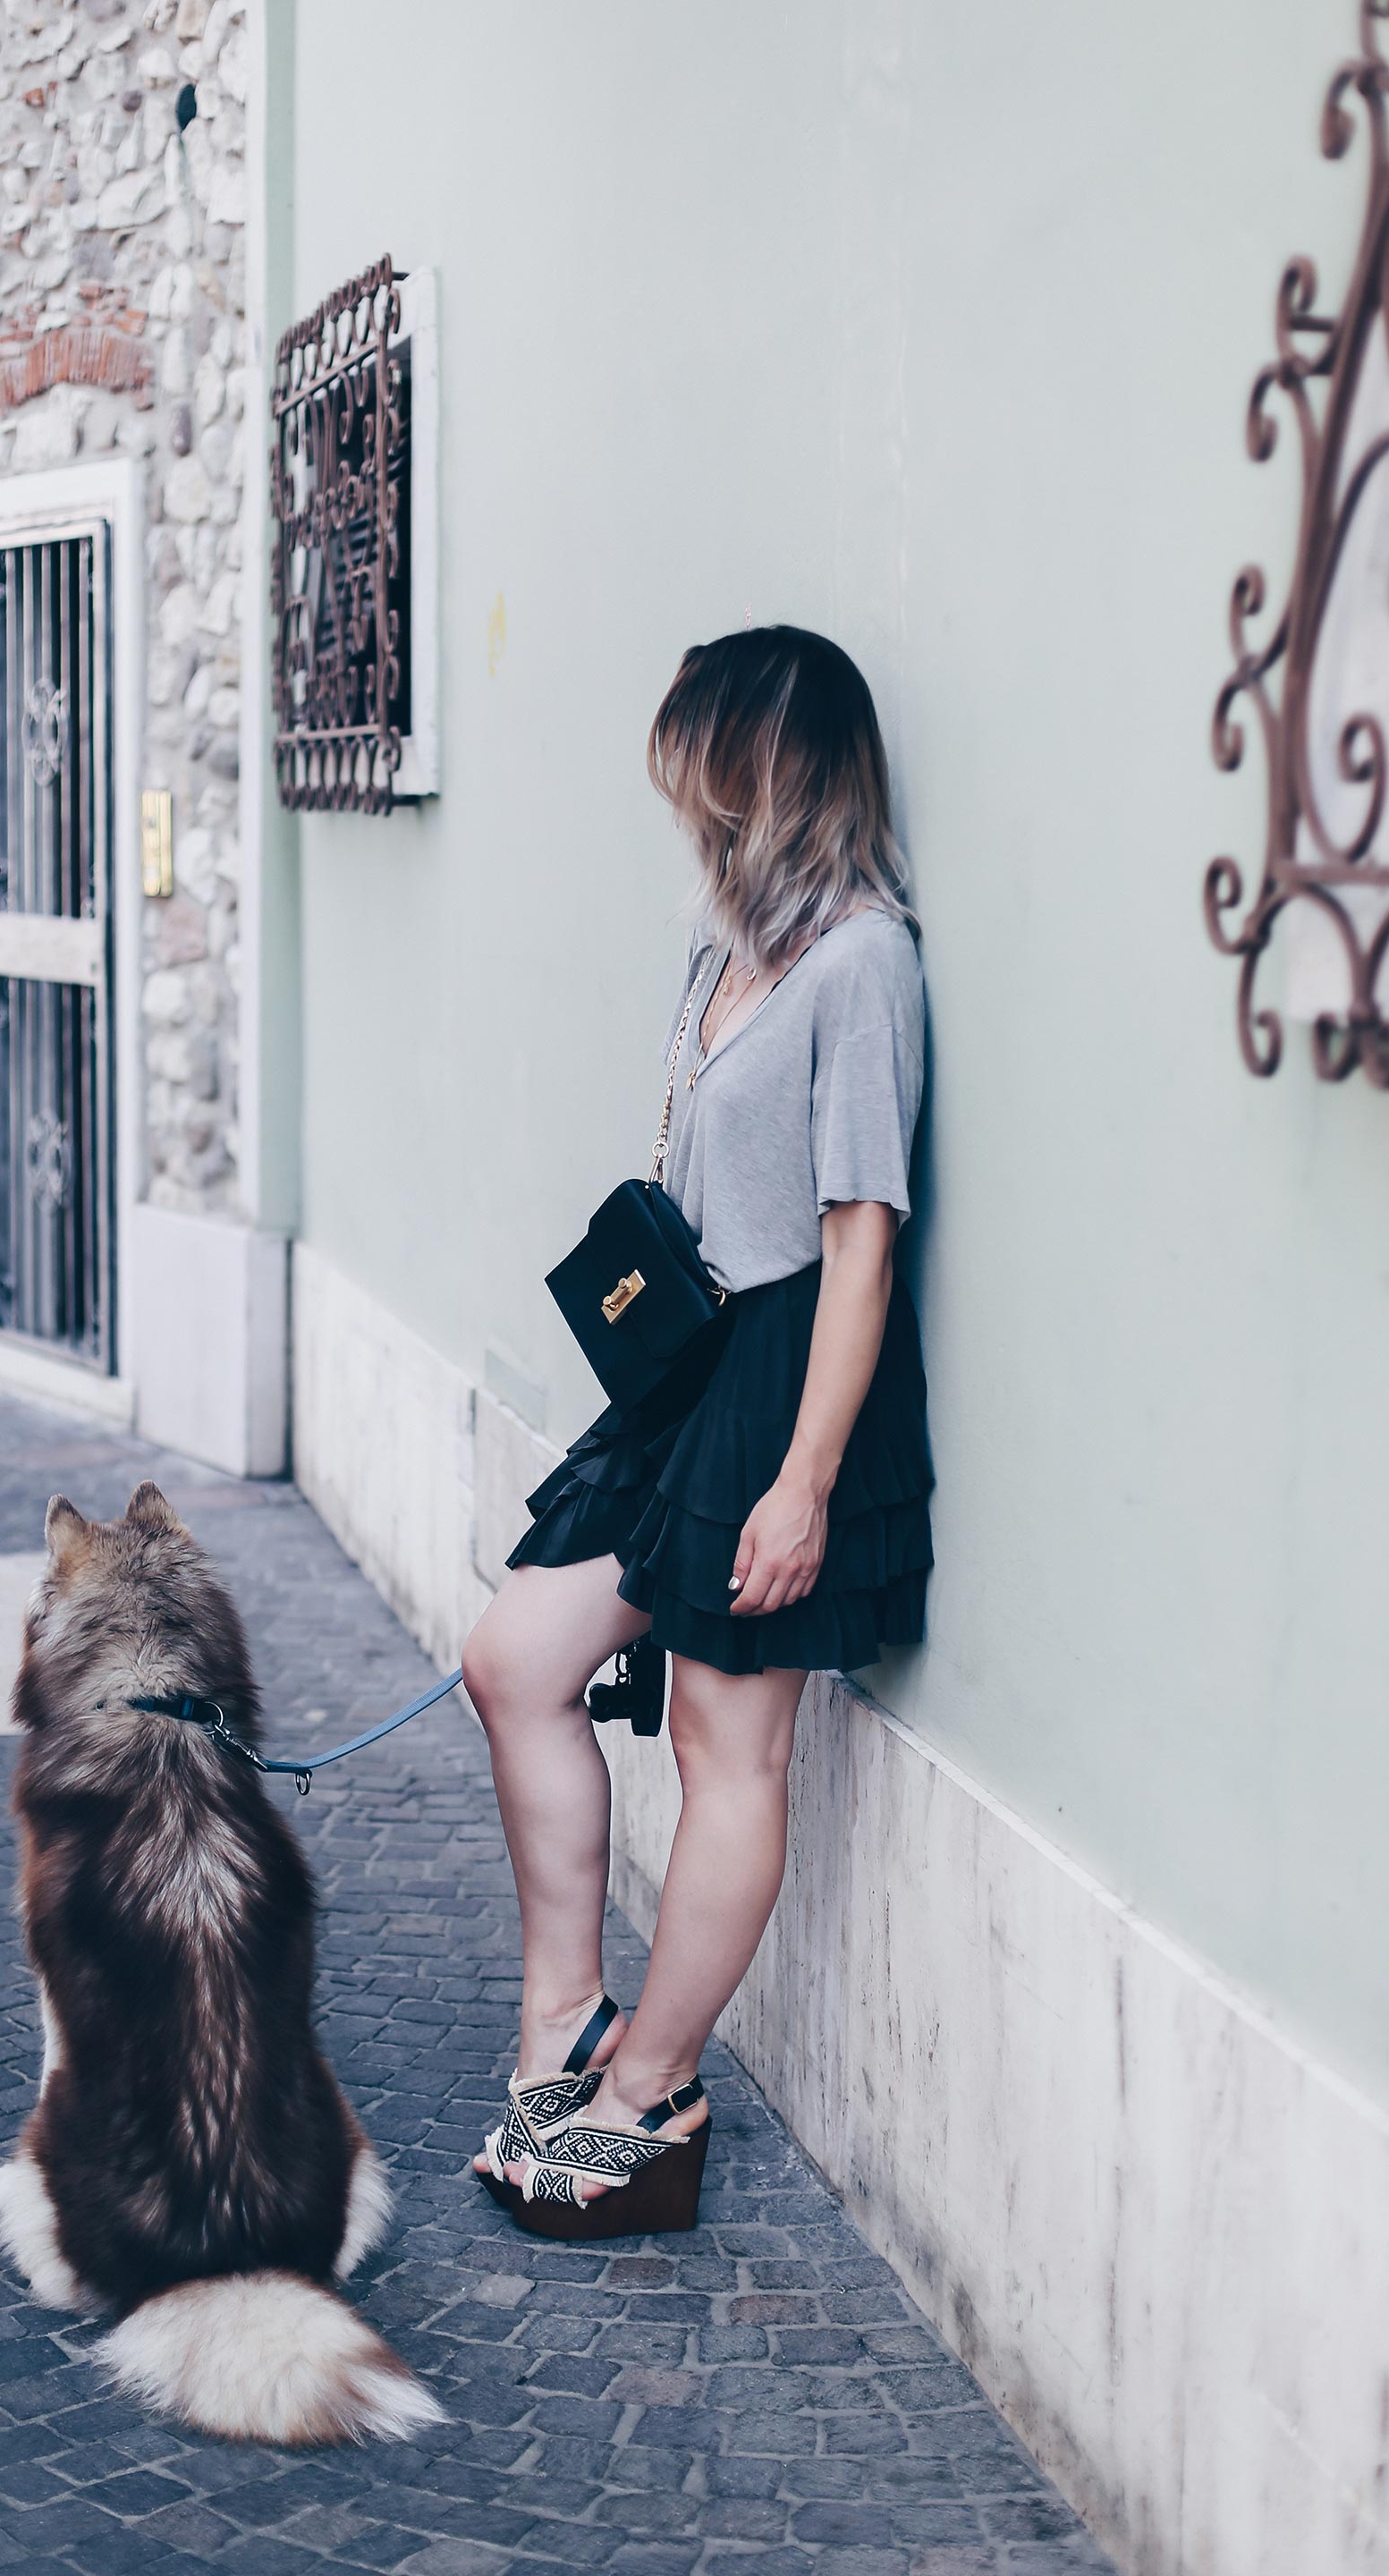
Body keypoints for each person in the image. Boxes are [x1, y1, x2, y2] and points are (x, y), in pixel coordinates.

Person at [462, 625, 933, 2236]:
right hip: (689, 1368)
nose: (688, 804)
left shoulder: (865, 962)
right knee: (519, 1657)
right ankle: (564, 2026)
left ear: (772, 772)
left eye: (706, 770)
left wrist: (803, 1480)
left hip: (789, 1368)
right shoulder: (728, 950)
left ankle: (649, 2093)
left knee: (732, 1743)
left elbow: (863, 1238)